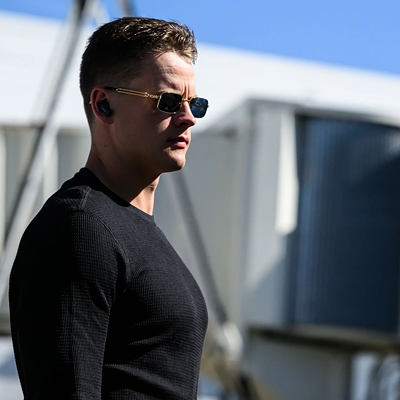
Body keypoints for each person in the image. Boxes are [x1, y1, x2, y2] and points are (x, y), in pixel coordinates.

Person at [9, 17, 209, 400]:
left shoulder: (133, 230)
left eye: (195, 104)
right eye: (167, 102)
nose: (188, 118)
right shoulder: (80, 227)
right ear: (103, 105)